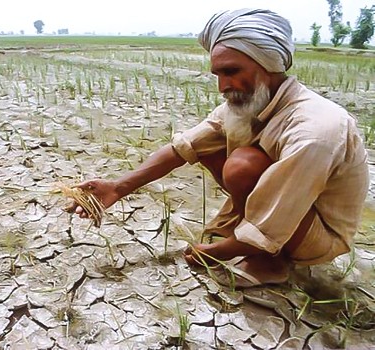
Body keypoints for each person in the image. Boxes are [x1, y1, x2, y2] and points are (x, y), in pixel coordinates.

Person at [67, 8, 370, 287]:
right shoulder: (248, 103)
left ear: (268, 64)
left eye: (232, 71)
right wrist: (117, 188)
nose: (223, 86)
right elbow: (182, 148)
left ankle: (269, 260)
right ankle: (247, 234)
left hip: (317, 234)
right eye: (219, 74)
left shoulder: (315, 130)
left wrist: (216, 251)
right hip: (286, 209)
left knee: (243, 165)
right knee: (213, 149)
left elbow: (285, 204)